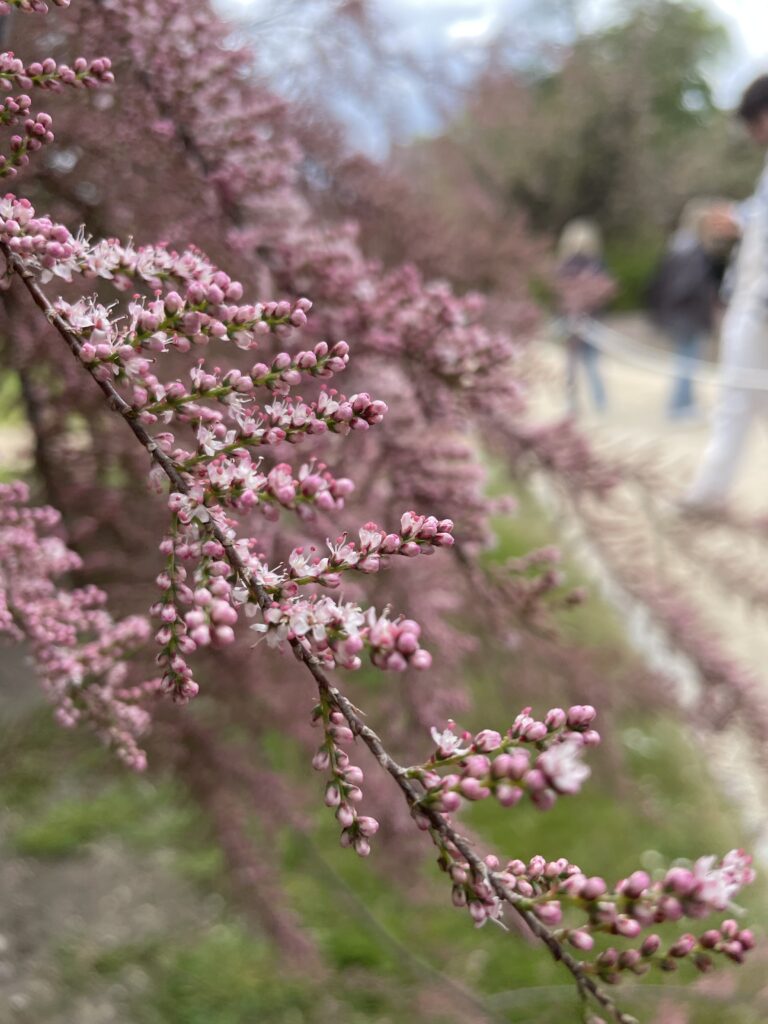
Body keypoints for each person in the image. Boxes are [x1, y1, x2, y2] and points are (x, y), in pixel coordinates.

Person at [682, 75, 768, 513]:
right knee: (738, 400)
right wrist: (740, 218)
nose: (754, 134)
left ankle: (708, 492)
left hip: (759, 307)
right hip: (752, 302)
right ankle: (709, 491)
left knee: (737, 399)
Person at [647, 200, 720, 420]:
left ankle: (684, 403)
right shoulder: (692, 252)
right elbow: (684, 287)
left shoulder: (679, 247)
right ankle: (680, 406)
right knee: (687, 363)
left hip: (680, 316)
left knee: (685, 361)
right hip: (688, 317)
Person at [554, 219, 617, 417]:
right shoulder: (590, 264)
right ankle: (584, 403)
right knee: (579, 364)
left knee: (583, 363)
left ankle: (592, 402)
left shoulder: (577, 264)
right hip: (576, 320)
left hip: (585, 320)